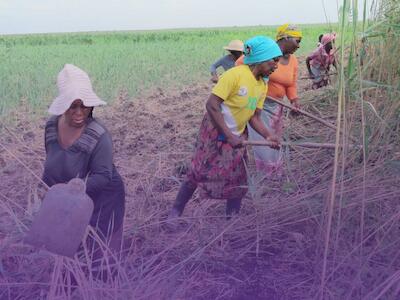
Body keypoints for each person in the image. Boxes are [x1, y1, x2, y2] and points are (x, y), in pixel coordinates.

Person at [169, 36, 282, 219]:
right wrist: (227, 135)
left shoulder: (262, 84)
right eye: (273, 60)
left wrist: (269, 135)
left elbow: (254, 117)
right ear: (260, 58)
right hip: (214, 132)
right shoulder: (235, 75)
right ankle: (175, 211)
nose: (276, 65)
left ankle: (232, 219)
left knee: (238, 177)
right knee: (198, 171)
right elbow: (212, 105)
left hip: (237, 133)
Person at [42, 64, 125, 262]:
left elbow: (103, 177)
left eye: (84, 106)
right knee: (68, 249)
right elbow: (51, 163)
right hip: (71, 196)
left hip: (103, 199)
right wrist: (45, 191)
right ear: (63, 106)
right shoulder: (51, 127)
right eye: (73, 106)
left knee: (99, 255)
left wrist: (69, 191)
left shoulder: (99, 135)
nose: (79, 112)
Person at [236, 24, 302, 175]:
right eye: (297, 41)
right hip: (259, 104)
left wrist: (294, 99)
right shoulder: (264, 52)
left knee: (274, 140)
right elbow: (241, 63)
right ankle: (266, 175)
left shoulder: (293, 61)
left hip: (277, 107)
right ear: (285, 38)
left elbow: (291, 83)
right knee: (263, 140)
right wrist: (255, 83)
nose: (299, 46)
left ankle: (274, 172)